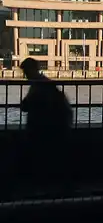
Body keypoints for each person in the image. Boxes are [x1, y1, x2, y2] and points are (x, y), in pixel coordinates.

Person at [17, 57, 73, 195]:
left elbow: (26, 105)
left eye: (26, 72)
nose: (25, 75)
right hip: (55, 125)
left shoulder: (39, 86)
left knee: (42, 156)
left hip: (47, 128)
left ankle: (43, 185)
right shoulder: (44, 84)